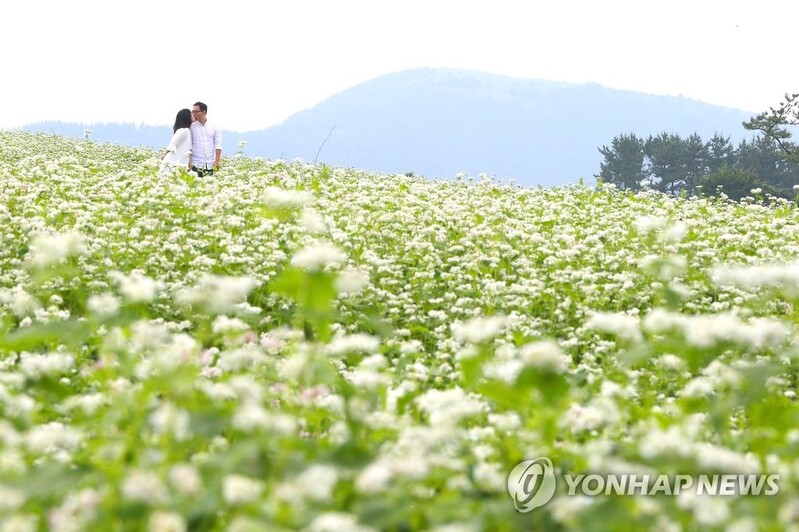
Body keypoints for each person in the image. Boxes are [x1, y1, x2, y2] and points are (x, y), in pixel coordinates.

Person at [190, 101, 222, 176]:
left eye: (196, 112)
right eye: (192, 112)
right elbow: (188, 145)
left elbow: (218, 144)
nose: (193, 114)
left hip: (210, 164)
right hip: (195, 164)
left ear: (203, 112)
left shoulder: (214, 126)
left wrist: (217, 161)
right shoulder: (191, 127)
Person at [159, 108, 193, 174]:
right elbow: (172, 144)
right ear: (187, 117)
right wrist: (163, 156)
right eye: (191, 114)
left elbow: (186, 150)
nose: (193, 115)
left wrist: (189, 163)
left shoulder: (185, 130)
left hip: (176, 166)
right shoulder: (184, 130)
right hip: (172, 165)